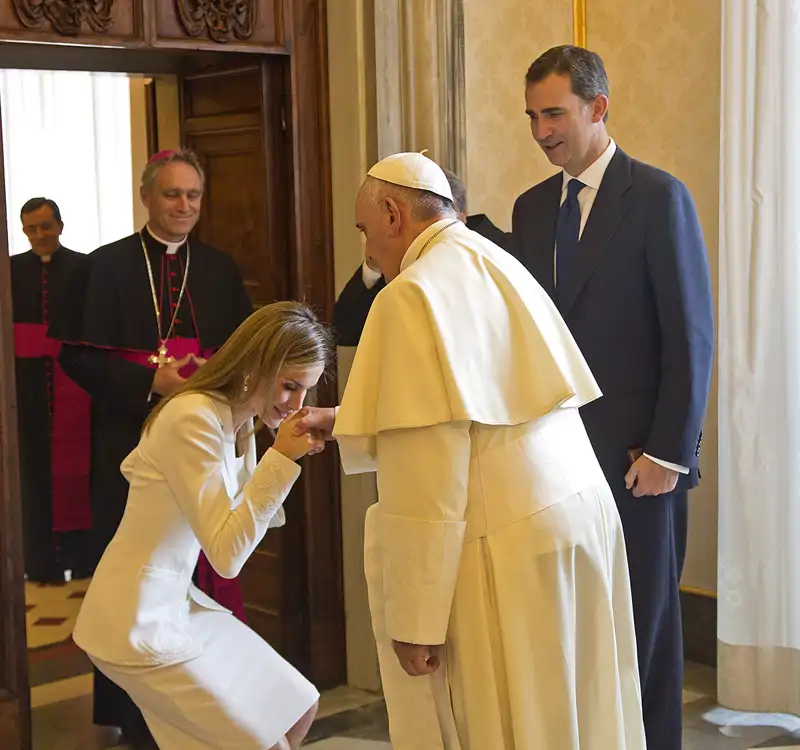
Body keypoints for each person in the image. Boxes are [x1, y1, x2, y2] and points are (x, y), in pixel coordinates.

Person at [295, 152, 646, 749]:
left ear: (391, 213)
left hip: (502, 542)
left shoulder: (409, 295)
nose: (366, 249)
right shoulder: (493, 260)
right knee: (581, 710)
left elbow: (425, 473)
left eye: (364, 230)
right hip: (576, 516)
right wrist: (354, 418)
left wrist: (415, 618)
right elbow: (475, 406)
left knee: (510, 723)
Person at [511, 46, 714, 750]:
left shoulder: (659, 197)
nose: (541, 131)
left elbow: (691, 336)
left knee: (646, 634)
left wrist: (669, 453)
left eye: (555, 113)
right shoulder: (531, 209)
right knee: (576, 630)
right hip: (554, 465)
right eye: (533, 116)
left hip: (639, 463)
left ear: (599, 108)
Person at [50, 149, 254, 746]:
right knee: (137, 577)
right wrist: (150, 381)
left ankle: (209, 696)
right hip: (127, 447)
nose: (185, 206)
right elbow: (75, 354)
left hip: (203, 445)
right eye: (172, 195)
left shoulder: (217, 268)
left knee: (200, 566)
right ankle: (134, 714)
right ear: (147, 197)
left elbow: (241, 350)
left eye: (193, 195)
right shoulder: (105, 267)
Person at [73, 302, 331, 750]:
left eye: (306, 392)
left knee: (299, 705)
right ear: (256, 363)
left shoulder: (241, 419)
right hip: (135, 619)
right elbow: (227, 555)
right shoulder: (192, 417)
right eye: (290, 386)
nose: (297, 405)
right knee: (266, 743)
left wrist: (278, 459)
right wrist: (281, 460)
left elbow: (256, 518)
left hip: (181, 605)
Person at [332, 167, 510, 346]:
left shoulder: (503, 253)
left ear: (460, 214)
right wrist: (372, 268)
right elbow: (343, 330)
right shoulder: (400, 253)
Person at [11, 197, 92, 583]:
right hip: (26, 389)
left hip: (74, 382)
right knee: (34, 475)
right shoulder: (10, 269)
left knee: (79, 471)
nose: (39, 235)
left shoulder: (84, 267)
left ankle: (82, 557)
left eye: (46, 226)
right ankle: (40, 563)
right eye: (31, 229)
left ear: (60, 226)